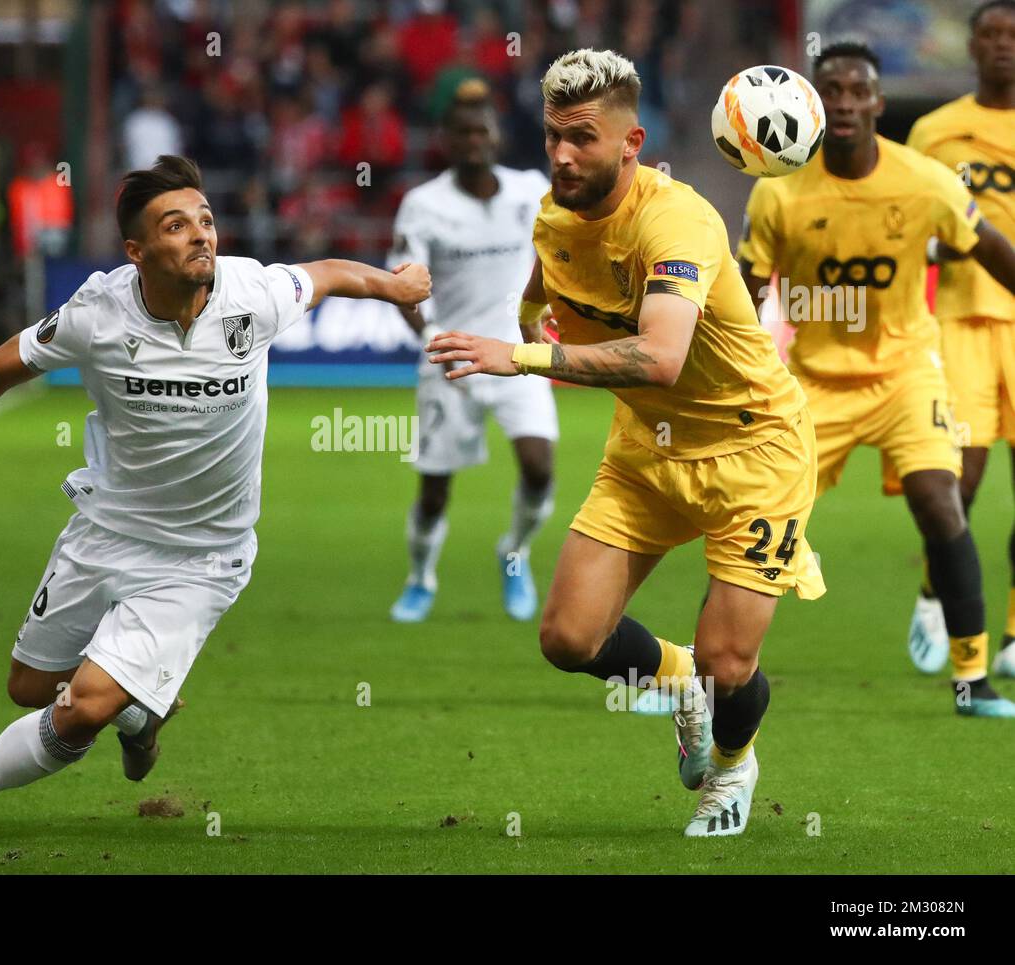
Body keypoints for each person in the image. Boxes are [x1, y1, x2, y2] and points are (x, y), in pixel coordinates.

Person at [0, 156, 431, 841]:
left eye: (205, 220)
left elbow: (326, 274)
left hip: (201, 558)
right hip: (105, 530)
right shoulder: (97, 314)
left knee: (82, 706)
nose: (201, 235)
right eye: (177, 226)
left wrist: (396, 285)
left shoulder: (252, 295)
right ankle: (141, 715)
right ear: (137, 252)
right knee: (30, 688)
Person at [427, 49, 823, 837]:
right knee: (568, 637)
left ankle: (733, 764)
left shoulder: (675, 221)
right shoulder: (554, 214)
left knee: (728, 663)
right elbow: (547, 294)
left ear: (631, 141)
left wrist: (527, 356)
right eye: (551, 136)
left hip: (755, 452)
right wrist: (528, 323)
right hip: (648, 448)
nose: (562, 155)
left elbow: (661, 355)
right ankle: (680, 690)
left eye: (582, 138)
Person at [737, 41, 1015, 717]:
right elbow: (745, 290)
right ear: (810, 102)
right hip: (814, 381)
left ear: (877, 104)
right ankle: (720, 668)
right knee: (762, 520)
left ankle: (973, 677)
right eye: (830, 89)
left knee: (942, 501)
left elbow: (989, 248)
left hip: (905, 374)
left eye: (858, 91)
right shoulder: (778, 191)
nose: (844, 102)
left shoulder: (925, 181)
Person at [388, 80, 559, 623]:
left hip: (518, 354)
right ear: (445, 139)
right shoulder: (423, 205)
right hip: (452, 357)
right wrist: (433, 334)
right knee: (436, 491)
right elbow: (403, 285)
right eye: (461, 132)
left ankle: (515, 552)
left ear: (496, 135)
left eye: (480, 130)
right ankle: (420, 577)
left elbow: (562, 250)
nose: (472, 140)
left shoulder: (530, 189)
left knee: (539, 468)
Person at [906, 0, 1015, 679]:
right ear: (970, 47)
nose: (1003, 45)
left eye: (1013, 35)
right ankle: (931, 589)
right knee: (962, 479)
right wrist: (946, 246)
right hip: (963, 321)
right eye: (991, 35)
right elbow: (905, 225)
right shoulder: (934, 132)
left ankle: (1010, 637)